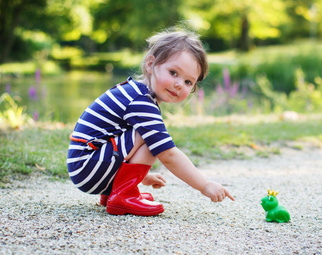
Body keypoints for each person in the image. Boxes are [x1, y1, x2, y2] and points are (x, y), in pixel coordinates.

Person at [67, 28, 234, 216]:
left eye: (188, 82)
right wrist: (204, 185)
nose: (179, 84)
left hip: (87, 165)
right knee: (154, 140)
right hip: (88, 167)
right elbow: (168, 155)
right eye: (173, 72)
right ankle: (122, 195)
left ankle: (117, 191)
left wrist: (142, 175)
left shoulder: (136, 93)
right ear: (151, 63)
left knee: (150, 135)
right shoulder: (140, 101)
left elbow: (116, 138)